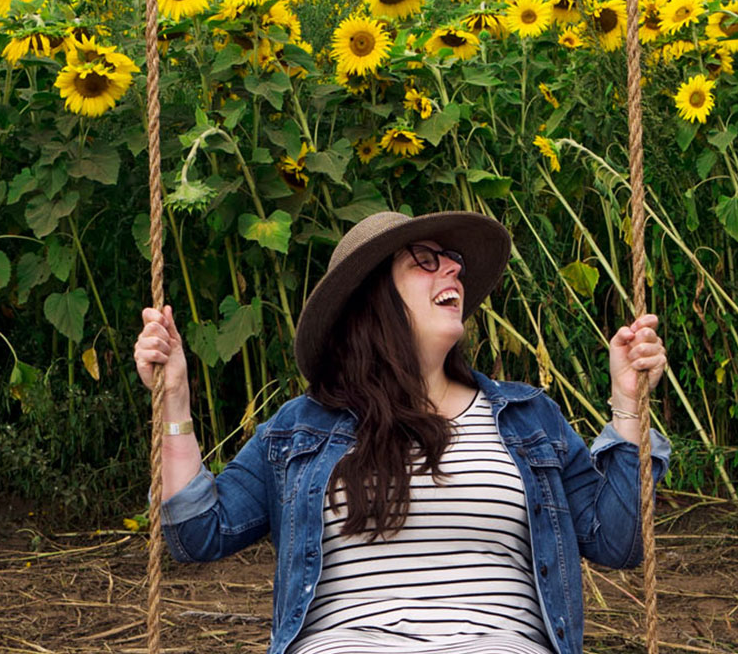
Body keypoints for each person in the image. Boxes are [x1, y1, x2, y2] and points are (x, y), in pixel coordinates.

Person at [134, 210, 670, 654]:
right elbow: (198, 534)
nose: (453, 274)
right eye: (427, 263)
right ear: (374, 297)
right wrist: (175, 399)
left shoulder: (529, 418)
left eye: (455, 265)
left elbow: (620, 542)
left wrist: (628, 403)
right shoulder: (303, 425)